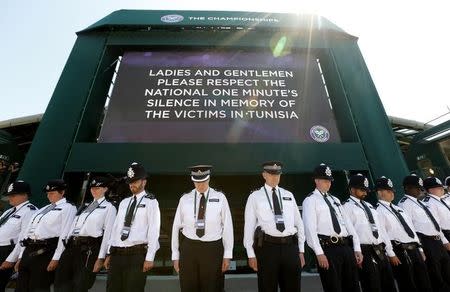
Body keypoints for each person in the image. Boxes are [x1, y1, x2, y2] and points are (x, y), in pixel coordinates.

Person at [243, 161, 305, 292]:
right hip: (267, 249)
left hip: (290, 247)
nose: (275, 177)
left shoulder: (288, 195)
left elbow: (299, 223)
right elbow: (248, 227)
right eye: (271, 174)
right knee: (267, 287)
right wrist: (250, 254)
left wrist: (301, 250)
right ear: (264, 175)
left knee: (293, 288)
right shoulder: (255, 197)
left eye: (277, 174)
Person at [171, 165, 233, 292]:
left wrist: (227, 254)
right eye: (197, 182)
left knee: (213, 287)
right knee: (189, 287)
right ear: (193, 180)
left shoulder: (220, 197)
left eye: (203, 181)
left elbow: (227, 227)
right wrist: (175, 255)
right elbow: (176, 227)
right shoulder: (185, 199)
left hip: (213, 249)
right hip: (189, 249)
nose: (200, 185)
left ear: (209, 179)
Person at [302, 163, 362, 292]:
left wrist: (356, 248)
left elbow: (348, 225)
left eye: (330, 181)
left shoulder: (336, 200)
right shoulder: (310, 200)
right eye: (325, 180)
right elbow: (310, 229)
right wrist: (319, 253)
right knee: (333, 286)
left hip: (346, 247)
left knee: (353, 286)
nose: (328, 184)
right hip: (329, 249)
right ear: (316, 180)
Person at [54, 176, 117, 292]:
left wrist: (101, 257)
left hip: (89, 248)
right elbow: (72, 226)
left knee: (80, 284)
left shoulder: (109, 207)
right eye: (92, 188)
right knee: (61, 283)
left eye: (97, 188)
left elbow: (108, 234)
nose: (93, 190)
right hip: (71, 247)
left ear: (105, 189)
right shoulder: (85, 206)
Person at [105, 162, 160, 292]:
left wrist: (150, 257)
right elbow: (116, 228)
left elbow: (154, 230)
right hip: (117, 254)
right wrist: (109, 253)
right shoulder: (124, 202)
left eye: (135, 181)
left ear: (144, 182)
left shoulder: (151, 201)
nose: (132, 184)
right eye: (130, 181)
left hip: (137, 255)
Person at [15, 179, 77, 292]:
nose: (49, 196)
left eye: (52, 193)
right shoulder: (43, 209)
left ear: (62, 192)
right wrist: (20, 256)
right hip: (29, 248)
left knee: (39, 286)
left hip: (46, 250)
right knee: (21, 286)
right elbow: (28, 232)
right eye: (48, 193)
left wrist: (56, 258)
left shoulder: (68, 207)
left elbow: (65, 234)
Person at [375, 176, 432, 292]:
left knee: (424, 282)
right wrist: (391, 253)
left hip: (414, 248)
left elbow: (410, 228)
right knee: (408, 283)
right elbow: (383, 233)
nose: (392, 193)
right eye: (388, 191)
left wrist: (420, 249)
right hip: (399, 249)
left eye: (392, 191)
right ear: (380, 192)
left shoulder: (398, 208)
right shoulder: (377, 210)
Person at [342, 174, 397, 292]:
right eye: (362, 189)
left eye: (366, 190)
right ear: (352, 189)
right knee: (372, 285)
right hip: (365, 251)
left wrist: (389, 251)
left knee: (389, 285)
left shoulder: (369, 205)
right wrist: (356, 252)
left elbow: (381, 229)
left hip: (380, 249)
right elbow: (350, 232)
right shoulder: (346, 207)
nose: (365, 193)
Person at [398, 174, 450, 292]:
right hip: (426, 241)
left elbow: (434, 222)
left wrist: (444, 240)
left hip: (437, 240)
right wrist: (420, 248)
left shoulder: (420, 202)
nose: (420, 190)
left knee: (447, 270)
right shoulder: (404, 204)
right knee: (436, 275)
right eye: (417, 188)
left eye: (421, 188)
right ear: (407, 188)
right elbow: (410, 228)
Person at [0, 181, 37, 291]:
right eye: (9, 195)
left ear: (25, 195)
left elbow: (24, 237)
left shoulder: (30, 211)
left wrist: (13, 258)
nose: (10, 197)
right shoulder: (9, 211)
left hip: (7, 251)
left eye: (13, 195)